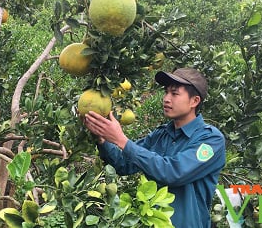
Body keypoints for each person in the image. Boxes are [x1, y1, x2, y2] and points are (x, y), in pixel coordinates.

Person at [84, 68, 226, 228]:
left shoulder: (210, 140)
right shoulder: (161, 135)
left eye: (174, 94)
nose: (166, 99)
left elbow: (173, 173)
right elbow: (123, 164)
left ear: (194, 101)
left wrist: (121, 139)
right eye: (166, 93)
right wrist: (102, 138)